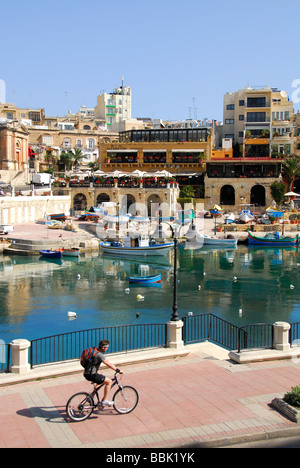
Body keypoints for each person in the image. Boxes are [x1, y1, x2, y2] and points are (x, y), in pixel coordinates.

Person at [83, 339, 123, 407]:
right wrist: (118, 370)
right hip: (92, 375)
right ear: (103, 347)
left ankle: (91, 397)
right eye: (107, 348)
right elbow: (108, 364)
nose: (107, 349)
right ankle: (104, 401)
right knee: (109, 382)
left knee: (101, 381)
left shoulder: (94, 350)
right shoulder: (99, 355)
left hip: (87, 373)